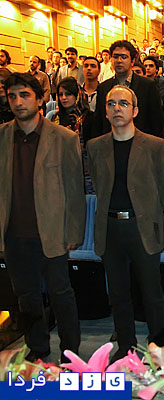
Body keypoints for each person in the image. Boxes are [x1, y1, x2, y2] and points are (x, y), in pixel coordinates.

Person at [0, 73, 85, 362]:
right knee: (26, 297)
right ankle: (37, 348)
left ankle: (70, 352)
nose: (18, 101)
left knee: (61, 294)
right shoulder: (2, 136)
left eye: (24, 95)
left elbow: (75, 191)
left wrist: (74, 232)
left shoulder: (64, 138)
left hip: (52, 232)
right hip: (14, 233)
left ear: (39, 99)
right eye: (12, 96)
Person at [87, 85, 164, 363]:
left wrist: (146, 213)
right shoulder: (95, 147)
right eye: (111, 103)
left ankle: (158, 348)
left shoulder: (155, 145)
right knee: (118, 293)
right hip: (110, 228)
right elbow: (98, 184)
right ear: (105, 111)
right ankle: (125, 347)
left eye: (123, 103)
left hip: (141, 226)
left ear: (135, 110)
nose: (117, 108)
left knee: (152, 293)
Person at [93, 40, 164, 138]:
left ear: (133, 61)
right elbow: (99, 123)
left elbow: (156, 121)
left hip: (141, 141)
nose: (119, 60)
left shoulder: (148, 86)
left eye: (124, 57)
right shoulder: (103, 87)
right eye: (115, 57)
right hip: (110, 141)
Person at [53, 77, 94, 193]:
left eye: (68, 94)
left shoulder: (89, 117)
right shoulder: (55, 118)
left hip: (85, 169)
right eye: (60, 95)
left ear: (77, 95)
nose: (63, 98)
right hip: (60, 167)